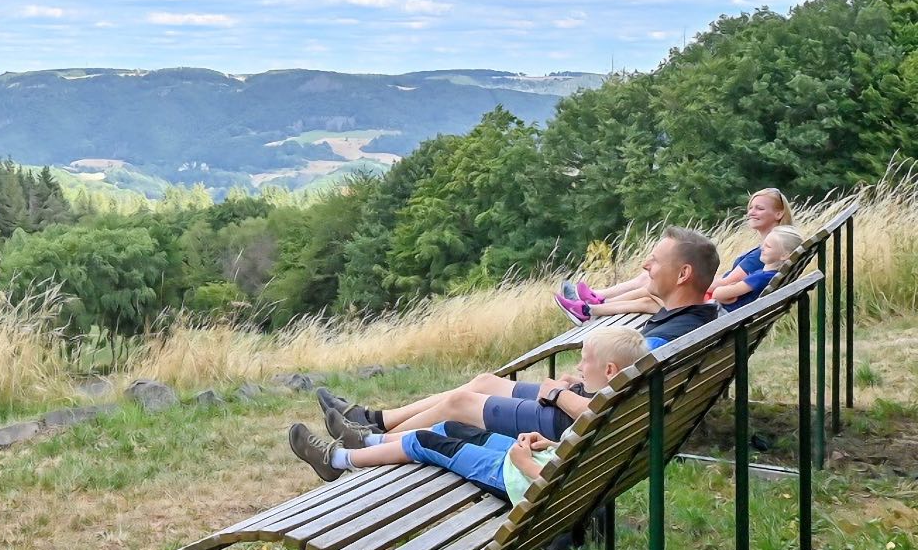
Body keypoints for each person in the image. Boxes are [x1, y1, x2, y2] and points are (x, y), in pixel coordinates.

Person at [319, 228, 721, 440]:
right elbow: (621, 382)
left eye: (656, 259)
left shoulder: (671, 336)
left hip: (580, 424)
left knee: (462, 401)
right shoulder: (690, 317)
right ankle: (377, 420)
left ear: (683, 274)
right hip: (588, 413)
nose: (646, 264)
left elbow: (615, 398)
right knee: (483, 381)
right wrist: (577, 381)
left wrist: (564, 391)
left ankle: (365, 440)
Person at [290, 325, 652, 489]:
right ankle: (367, 439)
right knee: (447, 427)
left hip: (513, 474)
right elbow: (579, 453)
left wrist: (529, 456)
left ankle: (338, 460)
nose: (577, 368)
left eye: (584, 362)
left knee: (428, 440)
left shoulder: (601, 410)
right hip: (533, 457)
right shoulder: (617, 409)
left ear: (608, 371)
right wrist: (550, 445)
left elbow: (557, 481)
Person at [555, 188, 790, 325]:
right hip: (724, 311)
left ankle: (593, 305)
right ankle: (595, 302)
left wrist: (699, 281)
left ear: (779, 213)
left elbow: (728, 286)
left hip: (716, 310)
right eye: (751, 207)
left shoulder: (765, 253)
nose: (752, 212)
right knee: (655, 281)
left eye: (759, 208)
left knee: (659, 284)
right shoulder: (772, 248)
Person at [713, 223, 801, 312]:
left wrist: (725, 290)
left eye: (768, 246)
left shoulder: (761, 278)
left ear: (784, 255)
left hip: (724, 315)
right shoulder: (771, 276)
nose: (762, 248)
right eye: (763, 244)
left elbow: (718, 294)